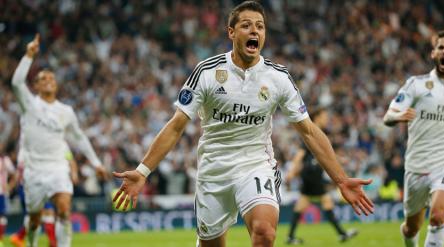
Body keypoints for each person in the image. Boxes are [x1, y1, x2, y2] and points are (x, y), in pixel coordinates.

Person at [113, 2, 374, 247]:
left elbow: (309, 131)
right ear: (231, 32)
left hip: (255, 164)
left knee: (265, 234)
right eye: (247, 25)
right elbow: (176, 126)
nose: (255, 30)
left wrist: (340, 179)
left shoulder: (278, 78)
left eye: (260, 26)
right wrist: (143, 171)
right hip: (214, 170)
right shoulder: (207, 72)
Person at [383, 30, 444, 247]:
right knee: (411, 227)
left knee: (437, 215)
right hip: (417, 166)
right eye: (441, 48)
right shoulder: (415, 85)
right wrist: (398, 116)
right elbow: (388, 116)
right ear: (433, 53)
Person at [11, 34, 107, 247]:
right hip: (34, 170)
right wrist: (28, 55)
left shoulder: (66, 111)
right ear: (35, 86)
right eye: (43, 79)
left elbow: (80, 138)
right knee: (34, 220)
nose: (48, 81)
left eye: (51, 79)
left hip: (57, 167)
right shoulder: (29, 105)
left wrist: (96, 163)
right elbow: (16, 83)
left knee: (64, 209)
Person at [285, 108, 358, 245]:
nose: (327, 119)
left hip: (310, 174)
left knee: (302, 205)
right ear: (317, 117)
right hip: (311, 174)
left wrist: (340, 159)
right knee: (326, 201)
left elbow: (324, 153)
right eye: (324, 116)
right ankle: (342, 234)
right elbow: (300, 154)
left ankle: (290, 236)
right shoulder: (311, 131)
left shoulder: (317, 132)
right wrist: (291, 171)